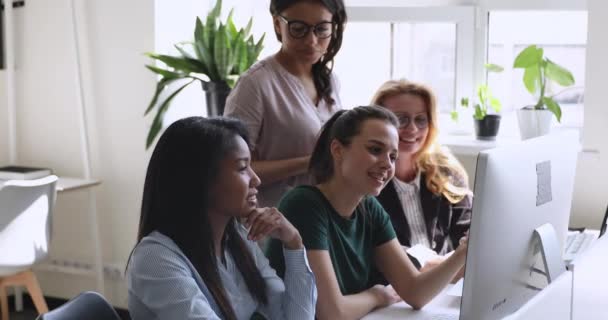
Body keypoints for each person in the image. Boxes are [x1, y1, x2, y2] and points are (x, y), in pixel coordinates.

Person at [266, 106, 467, 319]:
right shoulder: (304, 205)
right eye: (375, 150)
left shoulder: (369, 207)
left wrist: (463, 251)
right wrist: (377, 296)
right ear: (337, 150)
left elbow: (415, 292)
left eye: (392, 156)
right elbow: (331, 312)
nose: (387, 165)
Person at [126, 117, 316, 320]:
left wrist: (294, 243)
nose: (256, 179)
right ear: (200, 179)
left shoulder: (237, 239)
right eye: (242, 168)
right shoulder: (155, 258)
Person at [224, 0, 347, 207]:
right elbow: (233, 168)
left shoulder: (330, 81)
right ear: (277, 25)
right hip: (270, 222)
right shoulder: (255, 84)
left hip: (321, 215)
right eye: (298, 29)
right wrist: (309, 163)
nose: (311, 40)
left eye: (322, 29)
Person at [371, 80, 472, 270]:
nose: (413, 129)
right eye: (400, 119)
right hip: (394, 287)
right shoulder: (367, 180)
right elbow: (373, 250)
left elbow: (468, 238)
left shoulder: (447, 171)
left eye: (420, 119)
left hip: (445, 283)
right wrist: (434, 264)